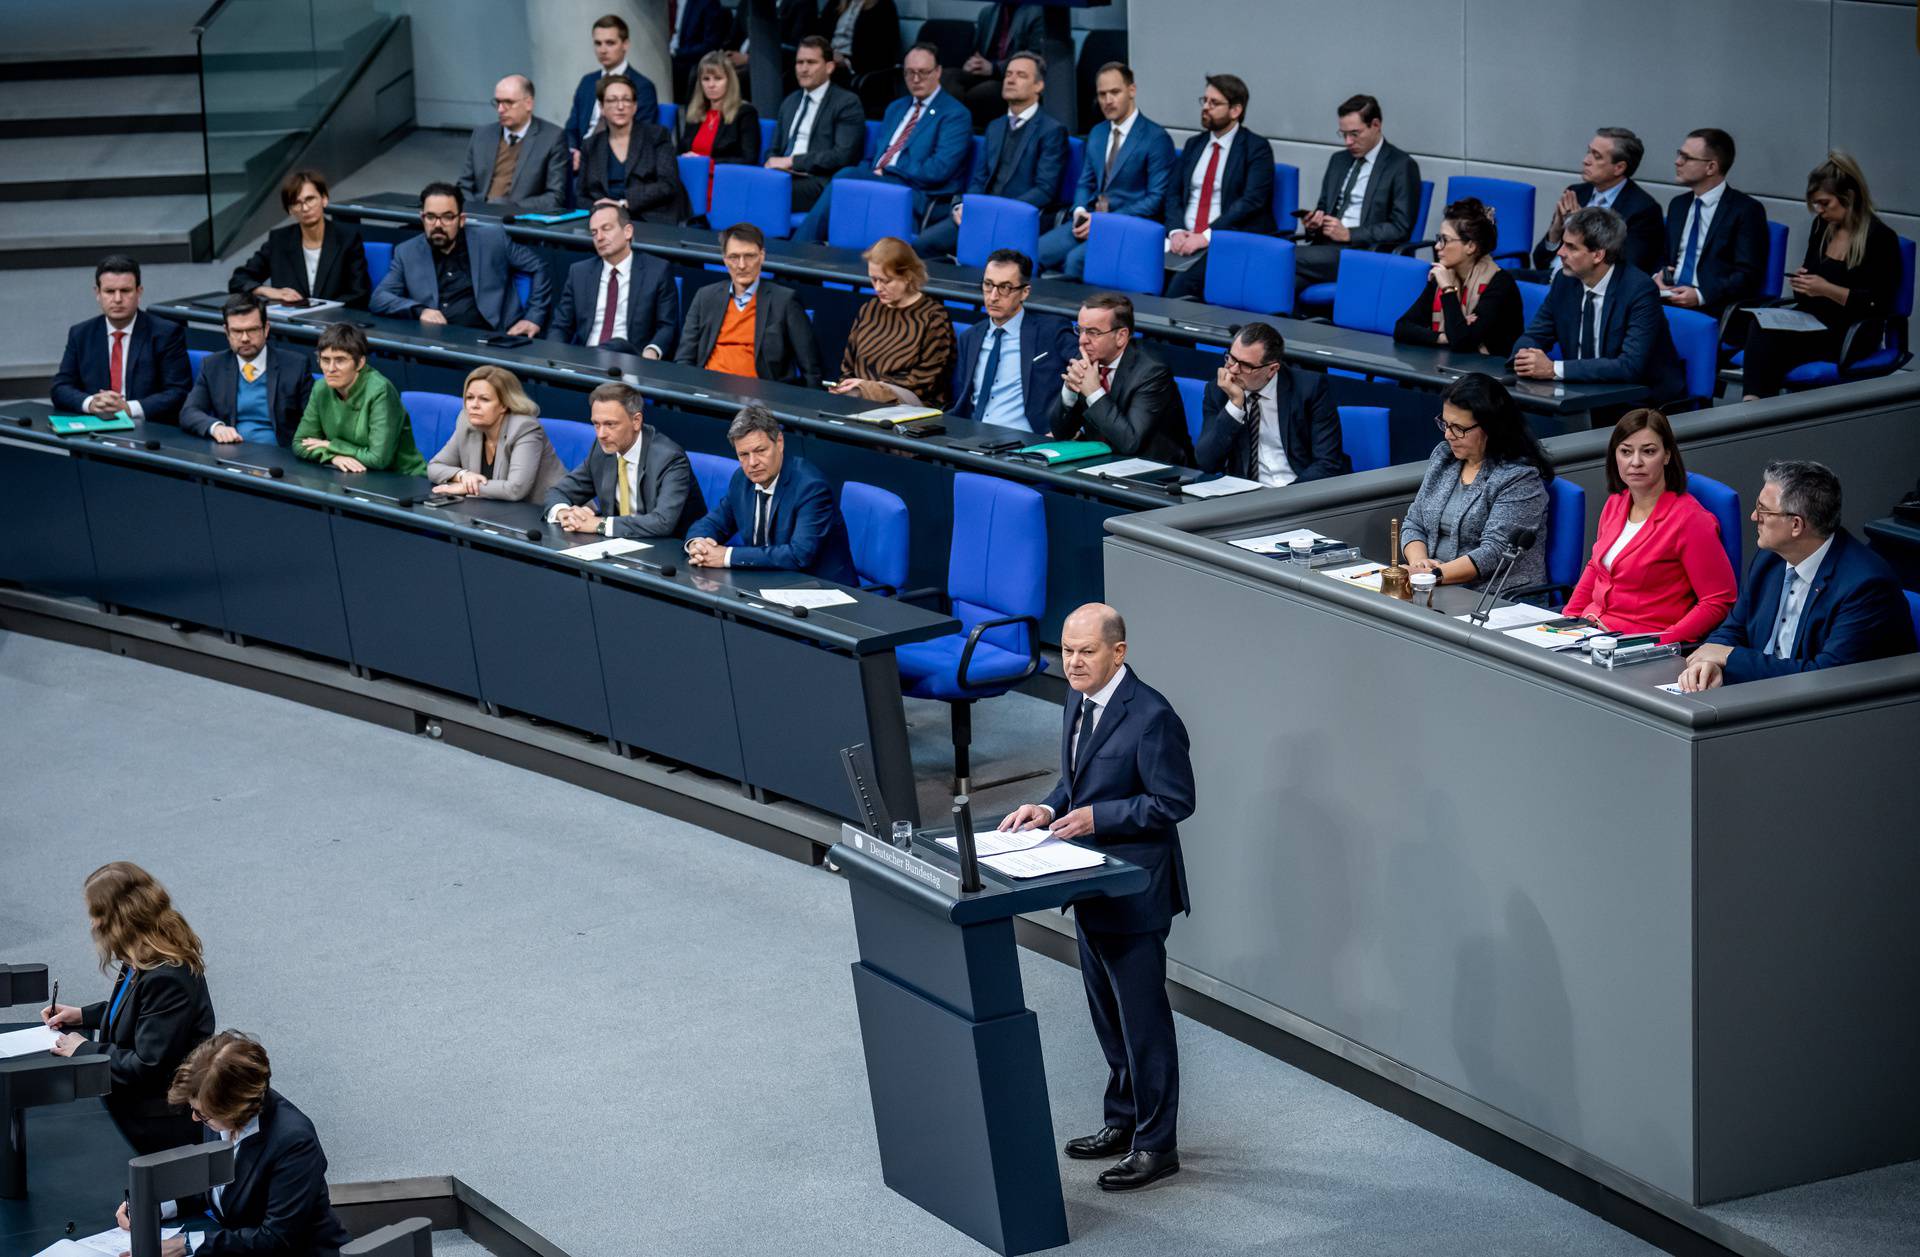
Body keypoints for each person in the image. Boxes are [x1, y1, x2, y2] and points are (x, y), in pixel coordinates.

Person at [999, 602, 1193, 1192]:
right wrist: (1051, 807)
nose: (1074, 662)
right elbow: (1076, 780)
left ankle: (1157, 1146)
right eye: (1067, 650)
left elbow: (1173, 802)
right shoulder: (1077, 698)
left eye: (1086, 652)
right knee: (1108, 1019)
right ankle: (1123, 1120)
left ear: (1119, 653)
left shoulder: (1152, 716)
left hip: (1133, 892)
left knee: (1143, 1025)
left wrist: (1095, 818)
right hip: (1088, 885)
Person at [107, 1032, 352, 1257]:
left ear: (235, 1107)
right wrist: (154, 1208)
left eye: (203, 1114)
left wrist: (188, 1244)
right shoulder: (220, 1118)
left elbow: (276, 1238)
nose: (195, 1119)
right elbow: (214, 1186)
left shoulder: (293, 1141)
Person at [1680, 459, 1915, 690]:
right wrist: (1710, 663)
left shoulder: (1865, 587)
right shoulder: (1770, 559)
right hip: (1757, 694)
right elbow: (1735, 627)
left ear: (1796, 525)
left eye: (1763, 509)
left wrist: (1731, 658)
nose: (1753, 516)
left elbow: (1825, 677)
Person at [40, 862, 214, 1156]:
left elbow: (147, 1065)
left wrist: (84, 1048)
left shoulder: (166, 976)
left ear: (117, 918)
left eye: (95, 915)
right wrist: (83, 1015)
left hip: (156, 1123)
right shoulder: (141, 954)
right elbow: (142, 1016)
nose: (92, 925)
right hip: (136, 1107)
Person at [1734, 152, 1904, 400]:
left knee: (1770, 349)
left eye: (1825, 203)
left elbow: (1879, 303)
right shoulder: (1822, 227)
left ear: (1849, 197)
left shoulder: (1880, 238)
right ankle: (1754, 406)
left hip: (1851, 332)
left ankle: (1756, 410)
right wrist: (1803, 284)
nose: (1819, 210)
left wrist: (1827, 289)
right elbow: (1808, 290)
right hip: (1814, 321)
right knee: (1761, 326)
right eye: (1816, 204)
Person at [1562, 409, 1736, 644]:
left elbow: (1718, 600)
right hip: (1591, 633)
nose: (1635, 462)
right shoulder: (1616, 502)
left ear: (1667, 456)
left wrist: (1662, 641)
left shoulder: (1690, 520)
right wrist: (1567, 621)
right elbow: (1596, 566)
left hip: (1639, 643)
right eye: (1626, 451)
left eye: (1648, 451)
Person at [1512, 206, 1687, 424]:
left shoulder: (1638, 290)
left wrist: (1552, 368)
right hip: (1581, 395)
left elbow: (1630, 366)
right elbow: (1536, 334)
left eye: (1571, 247)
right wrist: (1524, 357)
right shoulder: (1565, 281)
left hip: (1637, 404)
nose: (1560, 253)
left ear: (1598, 254)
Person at [794, 43, 971, 243]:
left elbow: (938, 170)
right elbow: (874, 157)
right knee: (848, 182)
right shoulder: (896, 108)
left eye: (923, 72)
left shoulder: (955, 114)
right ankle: (818, 258)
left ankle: (800, 251)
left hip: (918, 193)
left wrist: (890, 170)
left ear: (938, 71)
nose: (915, 79)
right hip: (879, 181)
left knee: (846, 177)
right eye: (909, 72)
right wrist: (870, 170)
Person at [1401, 372, 1553, 590]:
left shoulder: (1519, 477)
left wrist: (1431, 575)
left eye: (1459, 428)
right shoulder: (1444, 457)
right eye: (1445, 424)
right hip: (1433, 584)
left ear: (1490, 427)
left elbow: (1495, 552)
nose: (1448, 435)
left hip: (1494, 596)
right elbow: (1414, 522)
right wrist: (1419, 563)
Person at [914, 50, 1066, 260]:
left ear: (1039, 86)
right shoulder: (994, 127)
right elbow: (979, 178)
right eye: (1009, 74)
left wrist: (1002, 211)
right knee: (922, 245)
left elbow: (1045, 189)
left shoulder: (1051, 130)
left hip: (1016, 217)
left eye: (1021, 76)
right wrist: (964, 205)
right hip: (980, 213)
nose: (1011, 80)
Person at [684, 403, 857, 583]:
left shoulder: (811, 487)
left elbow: (799, 555)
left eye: (760, 451)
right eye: (743, 454)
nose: (752, 463)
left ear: (779, 443)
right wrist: (698, 544)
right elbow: (714, 522)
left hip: (820, 588)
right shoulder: (742, 480)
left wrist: (726, 556)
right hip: (769, 579)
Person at [1038, 62, 1176, 280]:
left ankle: (1077, 314)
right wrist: (1080, 211)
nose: (1108, 100)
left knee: (1076, 261)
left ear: (1132, 90)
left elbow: (1156, 199)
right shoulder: (1098, 132)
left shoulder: (1156, 138)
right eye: (1102, 94)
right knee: (1035, 253)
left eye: (1115, 92)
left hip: (1129, 225)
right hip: (1091, 220)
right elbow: (1086, 182)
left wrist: (1105, 223)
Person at [370, 183, 551, 335]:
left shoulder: (492, 239)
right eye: (431, 217)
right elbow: (379, 298)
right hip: (435, 341)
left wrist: (533, 317)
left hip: (490, 338)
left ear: (461, 220)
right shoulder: (407, 252)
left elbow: (538, 266)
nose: (438, 225)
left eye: (447, 217)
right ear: (422, 218)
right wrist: (420, 310)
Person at [1161, 74, 1275, 300]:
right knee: (1139, 274)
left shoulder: (1256, 148)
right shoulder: (1194, 144)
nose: (1205, 107)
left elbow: (1251, 201)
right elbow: (1173, 194)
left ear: (1235, 110)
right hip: (1181, 239)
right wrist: (1175, 232)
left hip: (1224, 240)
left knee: (1178, 288)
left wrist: (1205, 236)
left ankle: (1164, 336)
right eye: (1204, 100)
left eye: (1214, 103)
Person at [1195, 322, 1349, 485]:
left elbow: (1327, 464)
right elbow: (1206, 462)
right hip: (1246, 494)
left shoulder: (1309, 390)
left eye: (1246, 366)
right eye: (1231, 358)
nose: (1232, 370)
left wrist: (1285, 499)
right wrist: (1235, 405)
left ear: (1272, 369)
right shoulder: (1219, 391)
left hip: (1298, 490)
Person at [1293, 94, 1422, 286]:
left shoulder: (1401, 165)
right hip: (1326, 249)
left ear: (1376, 125)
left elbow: (1400, 227)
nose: (1348, 142)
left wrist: (1350, 234)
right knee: (1285, 282)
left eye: (1355, 133)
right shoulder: (1338, 160)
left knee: (1281, 257)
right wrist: (1314, 224)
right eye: (1343, 134)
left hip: (1364, 252)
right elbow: (1323, 207)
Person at [545, 382, 702, 538]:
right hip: (618, 545)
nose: (601, 434)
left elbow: (662, 522)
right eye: (596, 424)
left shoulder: (669, 459)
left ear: (636, 421)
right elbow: (559, 491)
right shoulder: (602, 449)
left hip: (669, 550)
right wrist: (564, 513)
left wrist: (599, 524)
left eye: (610, 424)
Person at [675, 222, 823, 385]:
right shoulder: (705, 296)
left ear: (762, 256)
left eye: (750, 256)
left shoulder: (785, 300)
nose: (742, 265)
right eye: (734, 257)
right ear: (724, 259)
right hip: (708, 394)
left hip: (760, 401)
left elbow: (811, 368)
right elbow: (684, 359)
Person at [51, 255, 192, 425]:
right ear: (97, 293)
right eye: (110, 291)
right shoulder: (81, 334)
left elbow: (178, 392)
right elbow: (60, 388)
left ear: (139, 292)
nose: (117, 299)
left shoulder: (166, 333)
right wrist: (92, 404)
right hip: (96, 427)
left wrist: (128, 408)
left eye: (125, 291)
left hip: (148, 430)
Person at [1055, 292, 1193, 465]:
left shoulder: (1152, 372)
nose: (1082, 340)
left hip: (1155, 471)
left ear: (1121, 336)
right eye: (1080, 330)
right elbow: (1061, 433)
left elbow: (1130, 442)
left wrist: (1093, 392)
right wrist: (1069, 392)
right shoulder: (1087, 359)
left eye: (1093, 332)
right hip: (1102, 464)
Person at [950, 248, 1077, 433]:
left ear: (1024, 292)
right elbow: (961, 397)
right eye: (988, 285)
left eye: (1005, 288)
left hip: (1025, 442)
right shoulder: (970, 337)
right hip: (971, 436)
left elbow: (1087, 371)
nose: (993, 296)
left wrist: (1068, 429)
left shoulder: (1051, 331)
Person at [1522, 128, 1665, 280]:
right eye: (1588, 152)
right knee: (1504, 278)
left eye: (1596, 156)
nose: (1586, 160)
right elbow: (1540, 261)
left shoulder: (1643, 209)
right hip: (1551, 276)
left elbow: (1626, 270)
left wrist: (1582, 228)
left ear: (1619, 168)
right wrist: (1556, 232)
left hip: (1588, 286)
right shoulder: (1576, 193)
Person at [829, 236, 956, 407]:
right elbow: (848, 366)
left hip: (910, 403)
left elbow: (925, 381)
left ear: (908, 276)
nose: (877, 288)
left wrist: (868, 388)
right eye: (873, 279)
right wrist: (848, 385)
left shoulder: (933, 317)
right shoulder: (869, 309)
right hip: (859, 394)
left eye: (886, 281)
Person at [1392, 197, 1524, 358]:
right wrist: (1442, 337)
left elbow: (1462, 341)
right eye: (1438, 238)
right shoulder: (1443, 275)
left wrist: (1448, 289)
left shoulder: (1500, 284)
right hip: (1445, 366)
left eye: (1445, 240)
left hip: (1487, 375)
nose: (1437, 246)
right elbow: (1402, 328)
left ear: (1470, 246)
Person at [1658, 128, 1770, 316]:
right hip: (1667, 299)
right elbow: (1664, 256)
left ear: (1711, 167)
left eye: (1686, 157)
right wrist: (1659, 276)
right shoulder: (1678, 205)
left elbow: (1747, 276)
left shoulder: (1745, 210)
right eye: (1679, 154)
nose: (1677, 162)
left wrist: (1701, 295)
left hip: (1713, 306)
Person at [291, 322, 428, 475]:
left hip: (402, 479)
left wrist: (331, 445)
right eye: (325, 360)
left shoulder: (381, 391)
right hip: (355, 475)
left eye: (340, 360)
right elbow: (300, 443)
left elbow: (378, 459)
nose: (330, 369)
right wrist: (333, 457)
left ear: (360, 363)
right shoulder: (321, 388)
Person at [179, 295, 315, 446]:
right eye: (237, 331)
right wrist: (216, 428)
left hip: (280, 456)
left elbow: (313, 424)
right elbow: (189, 412)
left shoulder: (296, 365)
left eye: (252, 330)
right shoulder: (213, 365)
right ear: (226, 331)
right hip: (230, 451)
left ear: (266, 328)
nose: (244, 338)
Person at [226, 169, 371, 309]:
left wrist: (321, 310)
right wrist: (268, 291)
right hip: (290, 328)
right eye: (296, 202)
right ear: (290, 210)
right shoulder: (279, 240)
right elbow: (239, 280)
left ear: (324, 199)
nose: (305, 208)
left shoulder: (347, 238)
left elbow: (360, 293)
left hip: (334, 325)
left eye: (310, 199)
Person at [548, 203, 680, 356]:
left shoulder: (657, 271)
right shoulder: (579, 272)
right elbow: (561, 326)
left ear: (628, 232)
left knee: (618, 345)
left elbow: (667, 326)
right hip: (585, 360)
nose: (599, 237)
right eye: (594, 232)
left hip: (632, 360)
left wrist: (652, 350)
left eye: (606, 228)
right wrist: (553, 356)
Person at [429, 365, 568, 502]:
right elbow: (434, 467)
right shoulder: (467, 422)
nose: (474, 405)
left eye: (484, 399)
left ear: (504, 405)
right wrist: (463, 476)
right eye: (470, 397)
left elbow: (516, 489)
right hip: (500, 511)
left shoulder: (525, 428)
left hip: (555, 513)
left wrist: (467, 488)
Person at [764, 35, 867, 212]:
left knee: (766, 191)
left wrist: (793, 162)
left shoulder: (847, 103)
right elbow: (775, 148)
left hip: (818, 180)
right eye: (799, 62)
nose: (803, 69)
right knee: (742, 182)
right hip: (783, 176)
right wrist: (772, 161)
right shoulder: (790, 102)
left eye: (811, 62)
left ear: (829, 67)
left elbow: (842, 156)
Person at [577, 76, 685, 224]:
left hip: (650, 218)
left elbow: (667, 185)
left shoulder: (657, 136)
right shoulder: (591, 145)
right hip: (605, 223)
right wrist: (603, 211)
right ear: (601, 107)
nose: (620, 106)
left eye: (627, 100)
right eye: (612, 100)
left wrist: (623, 204)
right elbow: (582, 196)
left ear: (634, 106)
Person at [456, 75, 568, 213]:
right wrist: (476, 210)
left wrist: (510, 207)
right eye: (497, 102)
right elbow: (464, 186)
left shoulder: (552, 137)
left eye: (508, 102)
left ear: (528, 104)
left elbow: (555, 197)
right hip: (478, 215)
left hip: (520, 221)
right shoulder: (482, 134)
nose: (500, 109)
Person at [565, 13, 660, 171]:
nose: (603, 50)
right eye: (598, 43)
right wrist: (573, 151)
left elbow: (641, 135)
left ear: (625, 44)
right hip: (580, 161)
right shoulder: (587, 82)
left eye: (610, 43)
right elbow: (571, 128)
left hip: (616, 162)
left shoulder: (642, 86)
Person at [944, 2, 1044, 129]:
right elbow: (977, 50)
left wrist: (994, 68)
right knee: (947, 76)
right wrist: (972, 63)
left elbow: (1034, 58)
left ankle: (962, 130)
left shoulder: (1037, 13)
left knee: (983, 93)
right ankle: (950, 127)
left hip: (1012, 77)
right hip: (984, 73)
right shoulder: (988, 13)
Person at [679, 50, 762, 194]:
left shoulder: (745, 113)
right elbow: (681, 151)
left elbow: (748, 159)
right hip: (690, 183)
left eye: (717, 78)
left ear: (729, 81)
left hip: (724, 185)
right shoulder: (695, 113)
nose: (711, 85)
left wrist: (704, 164)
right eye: (706, 79)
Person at [827, 0, 901, 95]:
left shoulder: (883, 6)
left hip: (856, 69)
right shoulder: (835, 3)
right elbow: (820, 33)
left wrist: (846, 62)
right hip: (829, 57)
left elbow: (884, 54)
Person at [669, 0, 734, 102]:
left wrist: (676, 53)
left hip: (688, 59)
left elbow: (709, 46)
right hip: (668, 55)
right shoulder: (664, 4)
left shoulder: (707, 3)